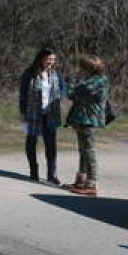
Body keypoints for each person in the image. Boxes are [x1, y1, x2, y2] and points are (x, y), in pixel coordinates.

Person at [63, 56, 110, 196]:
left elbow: (73, 93)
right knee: (83, 151)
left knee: (89, 151)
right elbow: (73, 93)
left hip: (90, 120)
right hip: (82, 119)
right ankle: (81, 180)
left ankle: (91, 183)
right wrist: (76, 82)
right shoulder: (88, 80)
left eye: (82, 68)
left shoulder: (99, 80)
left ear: (90, 69)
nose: (80, 70)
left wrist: (73, 81)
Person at [18, 48, 64, 184]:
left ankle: (51, 174)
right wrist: (23, 112)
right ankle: (34, 170)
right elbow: (23, 94)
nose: (51, 62)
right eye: (49, 59)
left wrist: (56, 98)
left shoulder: (56, 74)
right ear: (41, 58)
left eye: (53, 59)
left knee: (51, 145)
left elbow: (62, 89)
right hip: (32, 113)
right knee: (31, 141)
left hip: (50, 114)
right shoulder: (29, 73)